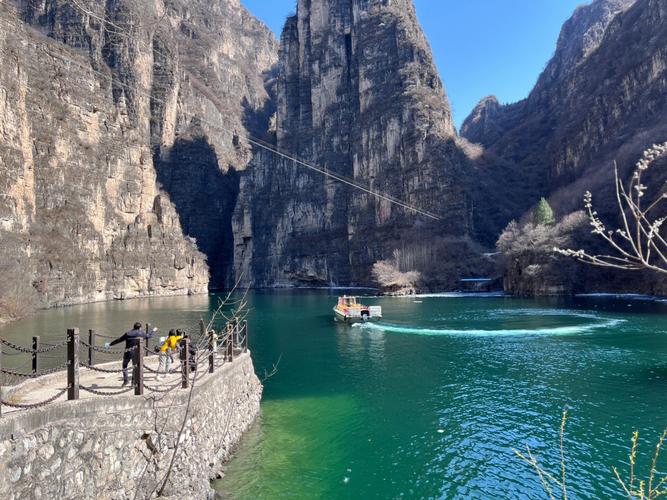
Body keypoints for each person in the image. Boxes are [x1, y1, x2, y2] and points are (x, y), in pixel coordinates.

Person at [108, 322, 157, 386]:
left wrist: (110, 344)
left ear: (133, 327)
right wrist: (153, 330)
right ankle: (133, 382)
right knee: (135, 367)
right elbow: (149, 336)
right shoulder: (142, 333)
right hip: (136, 353)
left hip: (128, 352)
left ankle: (125, 380)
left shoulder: (128, 333)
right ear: (140, 328)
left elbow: (118, 340)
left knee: (124, 366)